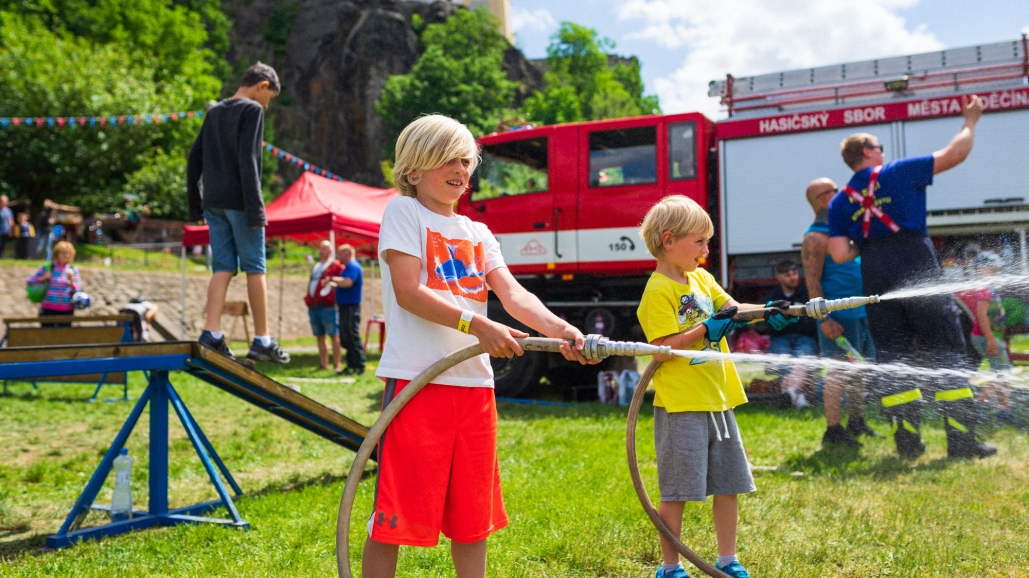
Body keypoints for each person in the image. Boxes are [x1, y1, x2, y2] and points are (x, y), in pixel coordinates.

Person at [363, 114, 593, 578]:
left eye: (467, 160)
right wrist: (476, 325)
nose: (462, 169)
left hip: (473, 389)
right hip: (416, 382)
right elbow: (409, 290)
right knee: (395, 515)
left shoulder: (479, 232)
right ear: (413, 168)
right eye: (448, 158)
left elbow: (513, 296)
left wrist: (561, 328)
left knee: (473, 519)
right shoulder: (404, 213)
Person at [636, 195, 797, 578]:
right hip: (682, 405)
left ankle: (729, 560)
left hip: (719, 399)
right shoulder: (658, 291)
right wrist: (703, 330)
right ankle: (670, 567)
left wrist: (766, 312)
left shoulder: (701, 279)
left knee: (729, 484)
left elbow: (732, 309)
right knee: (677, 489)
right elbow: (659, 349)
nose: (707, 251)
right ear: (669, 239)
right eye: (700, 242)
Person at [827, 94, 995, 459]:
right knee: (947, 349)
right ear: (870, 151)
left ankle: (907, 442)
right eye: (879, 147)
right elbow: (956, 153)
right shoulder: (898, 172)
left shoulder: (840, 201)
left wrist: (870, 246)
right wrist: (971, 121)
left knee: (892, 356)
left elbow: (840, 254)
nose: (883, 152)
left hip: (875, 275)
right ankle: (962, 442)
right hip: (916, 265)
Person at [186, 61, 290, 365]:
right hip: (240, 202)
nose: (267, 106)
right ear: (263, 86)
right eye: (270, 98)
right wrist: (256, 208)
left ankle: (212, 333)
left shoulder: (214, 110)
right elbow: (249, 160)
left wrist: (196, 205)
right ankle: (262, 339)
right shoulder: (251, 110)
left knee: (223, 267)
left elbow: (194, 158)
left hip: (213, 203)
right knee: (255, 267)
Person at [801, 178, 879, 447]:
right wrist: (824, 318)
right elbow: (812, 281)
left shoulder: (839, 230)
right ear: (824, 198)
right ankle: (833, 430)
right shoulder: (815, 237)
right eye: (836, 191)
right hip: (838, 317)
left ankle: (856, 422)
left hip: (860, 313)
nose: (843, 195)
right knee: (837, 371)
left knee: (859, 371)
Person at [956, 251, 1020, 425]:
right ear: (980, 269)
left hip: (991, 337)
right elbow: (982, 316)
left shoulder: (988, 288)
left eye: (997, 269)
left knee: (1001, 371)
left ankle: (1004, 411)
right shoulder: (984, 290)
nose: (996, 272)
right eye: (993, 269)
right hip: (987, 337)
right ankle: (979, 404)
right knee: (1002, 373)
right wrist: (991, 339)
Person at [763, 259, 819, 409]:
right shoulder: (772, 298)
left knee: (802, 359)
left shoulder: (807, 293)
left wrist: (788, 320)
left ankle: (789, 394)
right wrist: (798, 321)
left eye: (795, 273)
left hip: (805, 337)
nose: (793, 277)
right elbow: (772, 327)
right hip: (781, 338)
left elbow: (813, 322)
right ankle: (797, 397)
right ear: (779, 277)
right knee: (784, 362)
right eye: (788, 275)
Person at [305, 240, 343, 373]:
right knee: (319, 335)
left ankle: (337, 364)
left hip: (328, 306)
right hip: (314, 306)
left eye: (324, 248)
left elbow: (342, 283)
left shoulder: (335, 266)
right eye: (320, 248)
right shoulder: (316, 266)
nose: (321, 251)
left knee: (334, 334)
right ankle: (323, 363)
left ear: (330, 251)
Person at [329, 243, 366, 375]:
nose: (337, 256)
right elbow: (344, 284)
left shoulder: (352, 266)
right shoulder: (347, 267)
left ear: (346, 254)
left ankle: (358, 365)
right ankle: (351, 365)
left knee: (351, 336)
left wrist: (331, 279)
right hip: (345, 307)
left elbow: (348, 282)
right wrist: (334, 285)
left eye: (339, 253)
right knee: (346, 337)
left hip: (351, 308)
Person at [26, 240, 81, 326]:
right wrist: (43, 278)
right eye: (63, 253)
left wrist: (72, 281)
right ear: (57, 254)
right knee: (46, 337)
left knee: (64, 337)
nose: (66, 255)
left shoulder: (73, 270)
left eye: (68, 253)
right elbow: (29, 281)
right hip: (48, 309)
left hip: (66, 310)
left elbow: (77, 290)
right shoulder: (48, 267)